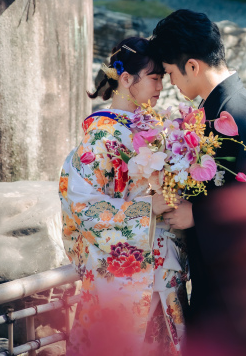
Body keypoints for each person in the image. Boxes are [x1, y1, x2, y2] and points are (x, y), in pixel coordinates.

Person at [148, 9, 246, 356]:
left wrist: (197, 215)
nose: (171, 83)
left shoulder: (234, 113)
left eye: (171, 73)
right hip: (228, 277)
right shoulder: (224, 106)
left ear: (192, 66)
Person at [59, 36, 188, 356]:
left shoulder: (158, 126)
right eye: (155, 78)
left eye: (162, 78)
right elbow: (82, 207)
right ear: (127, 79)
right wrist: (148, 207)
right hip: (122, 267)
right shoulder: (101, 135)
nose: (161, 86)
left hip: (162, 262)